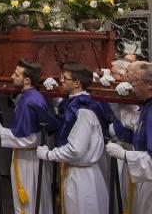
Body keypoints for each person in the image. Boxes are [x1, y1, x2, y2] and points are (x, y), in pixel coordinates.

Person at [36, 62, 110, 214]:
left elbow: (76, 150)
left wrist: (49, 155)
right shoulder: (77, 103)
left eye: (65, 78)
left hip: (81, 176)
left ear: (77, 83)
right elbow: (66, 112)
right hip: (77, 171)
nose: (61, 80)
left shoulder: (83, 110)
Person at [0, 59, 61, 214]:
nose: (11, 76)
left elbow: (29, 138)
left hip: (28, 160)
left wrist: (1, 131)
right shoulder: (30, 96)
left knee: (28, 201)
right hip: (28, 158)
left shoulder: (29, 101)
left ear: (27, 80)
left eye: (16, 74)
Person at [104, 61, 152, 214]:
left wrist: (125, 155)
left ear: (149, 84)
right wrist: (118, 103)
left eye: (133, 81)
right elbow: (132, 122)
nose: (131, 86)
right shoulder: (147, 106)